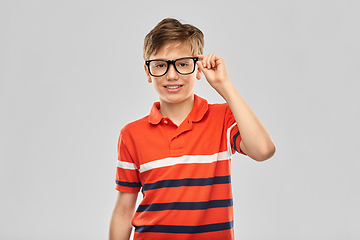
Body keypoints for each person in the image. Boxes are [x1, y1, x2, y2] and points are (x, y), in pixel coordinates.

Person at [109, 18, 275, 240]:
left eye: (183, 63)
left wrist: (224, 85)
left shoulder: (222, 118)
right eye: (160, 64)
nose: (172, 75)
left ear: (199, 68)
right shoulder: (131, 134)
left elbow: (263, 150)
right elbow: (123, 211)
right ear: (148, 72)